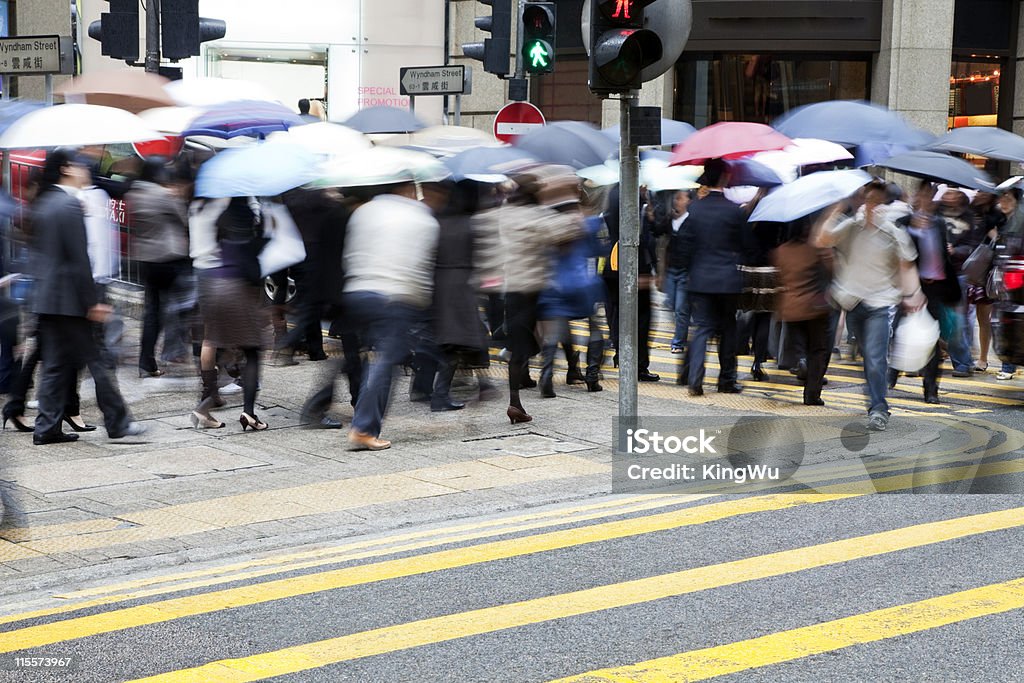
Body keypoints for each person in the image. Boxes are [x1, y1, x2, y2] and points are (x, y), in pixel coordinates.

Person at [28, 150, 140, 445]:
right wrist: (92, 302)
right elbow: (79, 259)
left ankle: (47, 427)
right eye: (80, 165)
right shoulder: (68, 205)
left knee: (53, 365)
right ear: (66, 169)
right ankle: (118, 423)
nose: (86, 170)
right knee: (98, 361)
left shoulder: (44, 202)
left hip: (47, 298)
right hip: (71, 300)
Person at [474, 165, 584, 425]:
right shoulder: (535, 216)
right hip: (536, 291)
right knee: (541, 340)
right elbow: (569, 231)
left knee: (519, 347)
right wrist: (566, 199)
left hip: (511, 288)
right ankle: (520, 398)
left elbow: (482, 229)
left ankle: (516, 400)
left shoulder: (503, 214)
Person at [816, 180, 924, 431]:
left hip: (881, 303)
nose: (870, 207)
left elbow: (907, 264)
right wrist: (835, 209)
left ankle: (879, 409)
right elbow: (822, 240)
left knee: (875, 358)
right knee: (868, 359)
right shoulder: (851, 226)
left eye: (876, 202)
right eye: (867, 201)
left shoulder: (893, 232)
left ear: (884, 205)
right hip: (852, 302)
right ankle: (875, 400)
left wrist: (914, 294)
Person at [343, 180, 441, 450]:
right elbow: (420, 267)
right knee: (385, 361)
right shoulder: (421, 218)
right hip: (393, 297)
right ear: (409, 190)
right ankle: (363, 429)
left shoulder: (364, 211)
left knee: (373, 358)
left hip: (357, 293)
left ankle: (362, 420)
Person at [189, 196, 270, 432]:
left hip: (215, 285)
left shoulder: (212, 215)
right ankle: (249, 413)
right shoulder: (246, 226)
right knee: (253, 352)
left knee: (217, 343)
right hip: (238, 292)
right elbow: (254, 271)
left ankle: (205, 404)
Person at [680, 158, 755, 396]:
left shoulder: (694, 209)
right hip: (727, 281)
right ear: (724, 178)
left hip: (699, 279)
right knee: (728, 330)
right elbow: (748, 247)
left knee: (702, 328)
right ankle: (726, 380)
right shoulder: (734, 211)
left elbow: (684, 245)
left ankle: (695, 379)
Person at [893, 181, 963, 404]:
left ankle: (931, 390)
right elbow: (898, 252)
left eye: (931, 195)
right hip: (913, 286)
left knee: (933, 339)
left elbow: (942, 255)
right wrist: (914, 229)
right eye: (924, 195)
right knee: (900, 332)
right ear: (917, 196)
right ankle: (891, 374)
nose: (928, 200)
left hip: (937, 289)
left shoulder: (940, 224)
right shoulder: (904, 223)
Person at [128, 157, 192, 377]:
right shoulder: (163, 195)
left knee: (152, 313)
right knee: (180, 307)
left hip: (146, 259)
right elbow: (183, 219)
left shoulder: (134, 193)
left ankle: (146, 361)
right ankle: (174, 351)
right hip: (168, 259)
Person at [772, 216, 834, 405]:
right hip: (814, 308)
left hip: (790, 308)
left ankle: (800, 363)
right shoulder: (815, 250)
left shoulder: (780, 251)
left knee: (800, 347)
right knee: (818, 350)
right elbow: (832, 271)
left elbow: (779, 279)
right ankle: (812, 394)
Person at [650, 189, 692, 358]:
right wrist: (651, 217)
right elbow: (657, 231)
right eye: (676, 198)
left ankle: (678, 341)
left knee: (681, 308)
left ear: (689, 200)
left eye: (681, 198)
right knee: (672, 305)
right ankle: (682, 332)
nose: (677, 201)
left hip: (685, 272)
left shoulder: (692, 221)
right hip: (671, 271)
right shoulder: (671, 219)